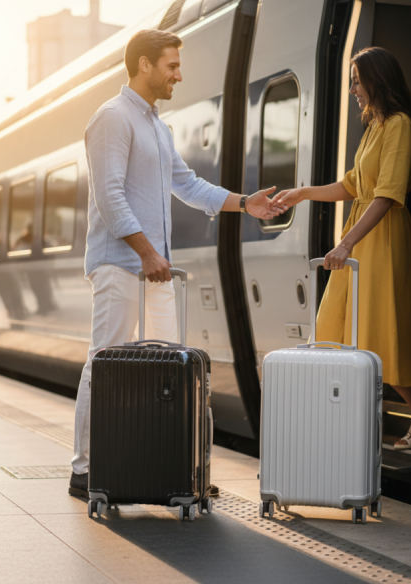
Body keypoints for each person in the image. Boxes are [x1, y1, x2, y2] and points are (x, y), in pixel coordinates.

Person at [69, 29, 283, 497]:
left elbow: (189, 185)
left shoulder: (157, 128)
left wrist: (246, 203)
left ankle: (165, 465)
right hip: (121, 265)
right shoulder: (112, 118)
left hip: (153, 267)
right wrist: (146, 252)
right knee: (104, 362)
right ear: (143, 65)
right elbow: (109, 195)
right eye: (171, 65)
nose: (178, 75)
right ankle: (84, 469)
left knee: (166, 366)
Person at [276, 47, 411, 450]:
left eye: (355, 80)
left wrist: (346, 243)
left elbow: (386, 195)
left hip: (381, 238)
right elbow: (352, 186)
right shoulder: (375, 127)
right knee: (334, 330)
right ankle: (349, 422)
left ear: (375, 80)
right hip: (360, 238)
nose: (352, 89)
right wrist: (303, 194)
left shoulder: (400, 125)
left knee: (378, 331)